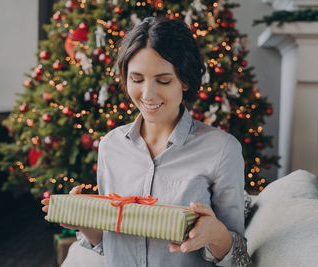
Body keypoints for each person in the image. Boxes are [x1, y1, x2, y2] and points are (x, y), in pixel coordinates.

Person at [42, 16, 251, 266]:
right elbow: (109, 244)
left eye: (163, 80)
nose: (148, 94)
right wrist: (85, 223)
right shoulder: (111, 145)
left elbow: (239, 259)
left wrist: (216, 235)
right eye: (137, 79)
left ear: (184, 80)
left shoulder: (221, 149)